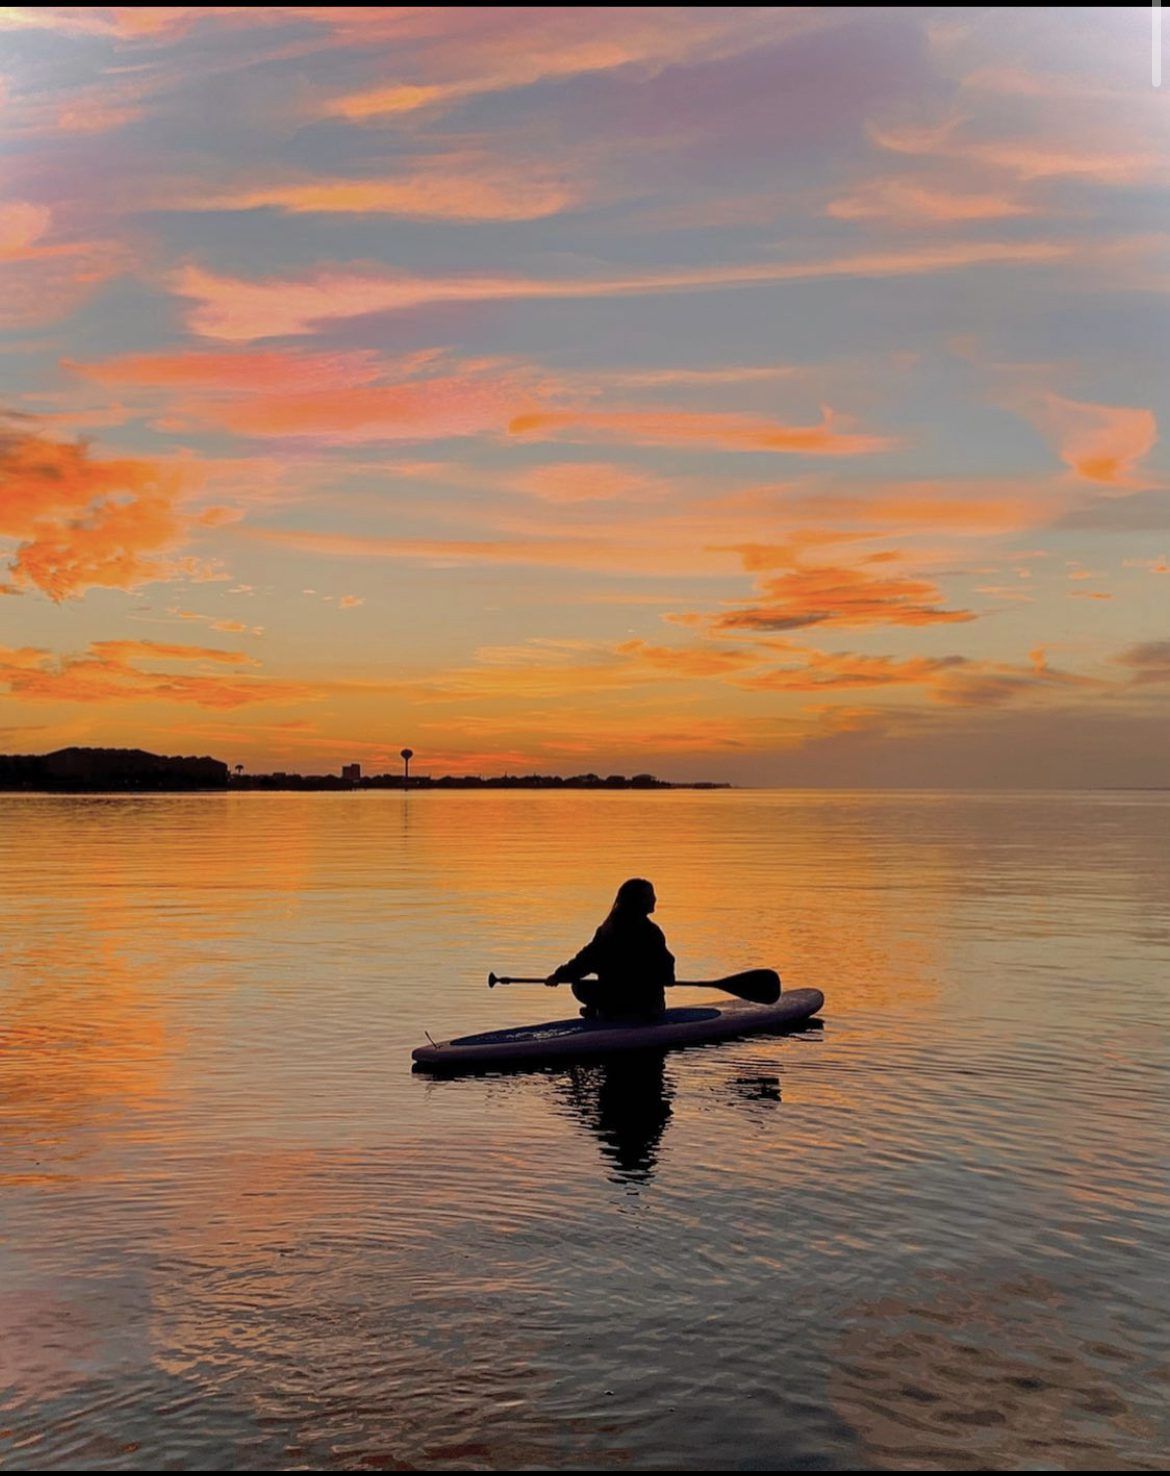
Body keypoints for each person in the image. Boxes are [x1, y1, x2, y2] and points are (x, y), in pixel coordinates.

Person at [545, 878, 674, 1020]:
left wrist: (559, 976)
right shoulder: (651, 932)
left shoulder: (608, 930)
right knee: (580, 985)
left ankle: (598, 1011)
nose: (654, 899)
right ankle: (604, 1011)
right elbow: (667, 976)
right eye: (649, 896)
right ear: (637, 901)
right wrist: (559, 976)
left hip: (625, 1002)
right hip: (647, 1006)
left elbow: (584, 961)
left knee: (579, 986)